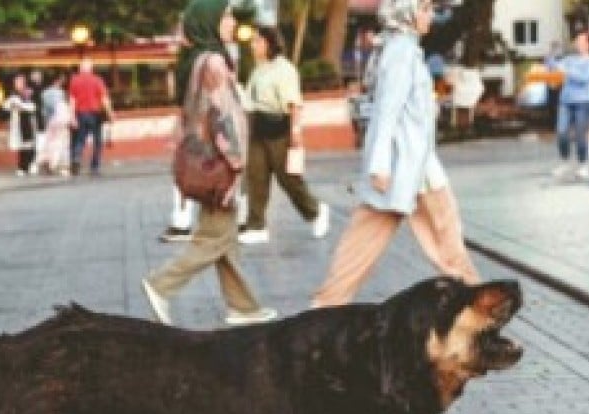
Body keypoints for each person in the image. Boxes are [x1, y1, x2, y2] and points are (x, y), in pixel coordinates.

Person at [312, 0, 480, 310]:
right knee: (446, 245)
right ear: (408, 11)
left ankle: (324, 309)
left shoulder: (397, 49)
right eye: (426, 8)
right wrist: (379, 165)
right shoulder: (401, 53)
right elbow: (386, 112)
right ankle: (480, 311)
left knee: (364, 245)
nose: (432, 15)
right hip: (407, 169)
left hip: (412, 168)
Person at [141, 0, 277, 327]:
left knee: (224, 236)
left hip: (205, 163)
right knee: (213, 238)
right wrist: (236, 163)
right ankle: (161, 284)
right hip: (220, 165)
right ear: (209, 21)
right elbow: (221, 117)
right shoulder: (215, 62)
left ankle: (243, 306)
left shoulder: (195, 60)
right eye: (225, 16)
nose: (231, 21)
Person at [240, 25, 330, 245]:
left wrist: (296, 132)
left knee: (288, 179)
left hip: (278, 128)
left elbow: (294, 104)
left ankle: (316, 211)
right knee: (255, 176)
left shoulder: (284, 69)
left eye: (257, 41)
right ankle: (256, 225)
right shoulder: (258, 69)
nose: (253, 45)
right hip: (257, 127)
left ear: (269, 43)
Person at [546, 29, 589, 180]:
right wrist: (551, 55)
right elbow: (553, 67)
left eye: (582, 41)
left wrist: (567, 71)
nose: (578, 44)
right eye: (577, 41)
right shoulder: (570, 59)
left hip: (584, 101)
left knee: (580, 135)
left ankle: (583, 164)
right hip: (566, 101)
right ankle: (564, 162)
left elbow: (584, 78)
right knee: (561, 132)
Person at [69, 59, 114, 176]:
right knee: (97, 141)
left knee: (80, 139)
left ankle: (76, 158)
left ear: (81, 68)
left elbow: (72, 100)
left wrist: (72, 116)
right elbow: (104, 99)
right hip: (95, 113)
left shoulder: (74, 81)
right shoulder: (97, 80)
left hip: (80, 113)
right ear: (91, 68)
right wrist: (110, 113)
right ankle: (94, 166)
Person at [4, 73, 38, 176]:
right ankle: (22, 167)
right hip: (18, 124)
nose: (17, 84)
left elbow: (33, 107)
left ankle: (30, 164)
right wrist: (11, 104)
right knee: (21, 146)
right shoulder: (12, 94)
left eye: (19, 82)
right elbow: (5, 106)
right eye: (16, 82)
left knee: (29, 145)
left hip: (28, 123)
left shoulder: (29, 93)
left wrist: (20, 105)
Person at [39, 72, 72, 175]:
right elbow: (61, 108)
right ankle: (58, 165)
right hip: (60, 120)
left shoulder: (44, 93)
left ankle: (46, 161)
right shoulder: (60, 93)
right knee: (61, 143)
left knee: (49, 143)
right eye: (61, 80)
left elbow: (43, 110)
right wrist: (69, 119)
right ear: (57, 81)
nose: (63, 81)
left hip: (49, 121)